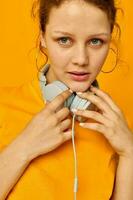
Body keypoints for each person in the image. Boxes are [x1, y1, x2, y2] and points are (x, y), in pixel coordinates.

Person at [0, 0, 133, 199]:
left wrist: (129, 152)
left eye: (95, 41)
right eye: (64, 40)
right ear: (43, 37)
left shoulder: (116, 128)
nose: (81, 59)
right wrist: (23, 148)